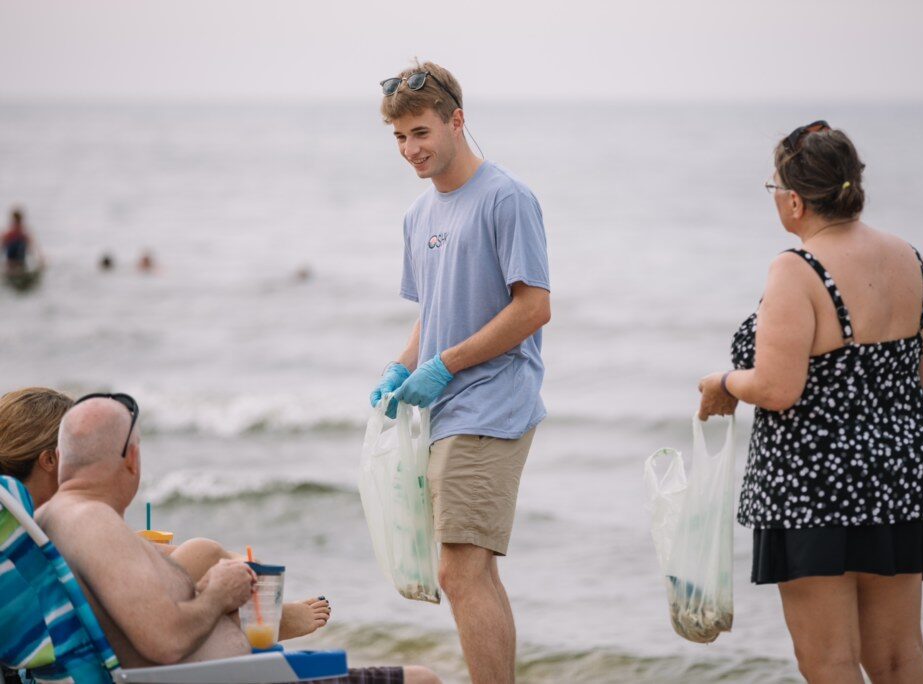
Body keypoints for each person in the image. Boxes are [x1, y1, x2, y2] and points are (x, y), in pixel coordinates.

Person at [697, 121, 923, 684]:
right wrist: (883, 447)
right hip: (905, 478)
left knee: (829, 661)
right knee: (900, 657)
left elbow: (776, 387)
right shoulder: (912, 260)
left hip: (813, 491)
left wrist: (723, 381)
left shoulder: (798, 268)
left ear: (793, 199)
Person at [35, 396, 440, 683]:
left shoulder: (62, 518)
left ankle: (268, 620)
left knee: (205, 552)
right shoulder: (94, 523)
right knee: (422, 680)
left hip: (226, 670)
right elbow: (167, 641)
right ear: (132, 459)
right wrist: (219, 593)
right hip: (228, 677)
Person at [370, 61, 550, 683]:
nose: (410, 150)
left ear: (457, 120)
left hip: (494, 401)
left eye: (421, 133)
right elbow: (434, 313)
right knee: (472, 569)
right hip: (443, 410)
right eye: (399, 138)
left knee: (459, 569)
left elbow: (533, 307)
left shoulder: (506, 198)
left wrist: (444, 366)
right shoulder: (418, 216)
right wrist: (399, 369)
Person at [0, 387, 330, 641]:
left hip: (69, 618)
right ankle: (263, 617)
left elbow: (88, 553)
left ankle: (255, 610)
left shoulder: (19, 514)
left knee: (193, 558)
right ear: (50, 460)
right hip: (83, 630)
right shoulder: (38, 517)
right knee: (204, 553)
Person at [2, 208, 33, 274]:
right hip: (12, 255)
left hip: (19, 256)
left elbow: (30, 241)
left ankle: (16, 269)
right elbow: (3, 241)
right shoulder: (11, 231)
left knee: (20, 247)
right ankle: (13, 269)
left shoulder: (22, 231)